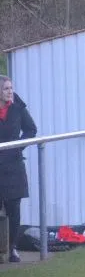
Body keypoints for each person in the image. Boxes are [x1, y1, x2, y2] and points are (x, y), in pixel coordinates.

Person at [0, 76, 36, 263]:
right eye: (6, 88)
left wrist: (17, 147)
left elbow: (31, 129)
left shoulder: (18, 108)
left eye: (11, 88)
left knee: (14, 208)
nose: (10, 92)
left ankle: (12, 248)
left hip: (13, 165)